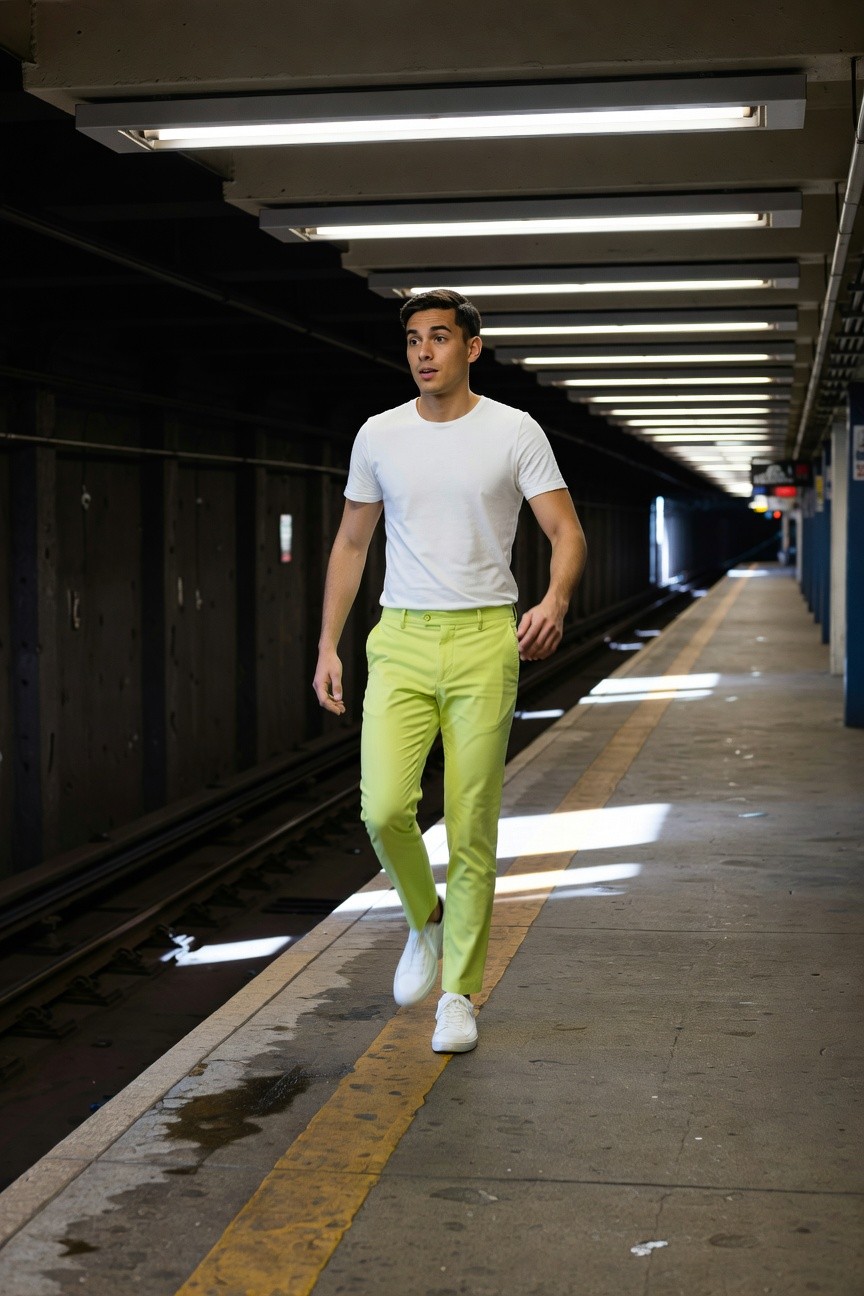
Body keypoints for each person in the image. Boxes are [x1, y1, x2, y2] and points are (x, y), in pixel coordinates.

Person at [312, 289, 587, 1053]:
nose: (424, 352)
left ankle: (458, 995)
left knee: (471, 825)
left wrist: (556, 598)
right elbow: (350, 546)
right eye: (412, 340)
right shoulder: (380, 435)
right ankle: (424, 919)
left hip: (482, 642)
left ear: (472, 347)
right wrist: (328, 645)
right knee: (383, 809)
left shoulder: (514, 431)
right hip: (398, 639)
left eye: (439, 337)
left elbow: (565, 530)